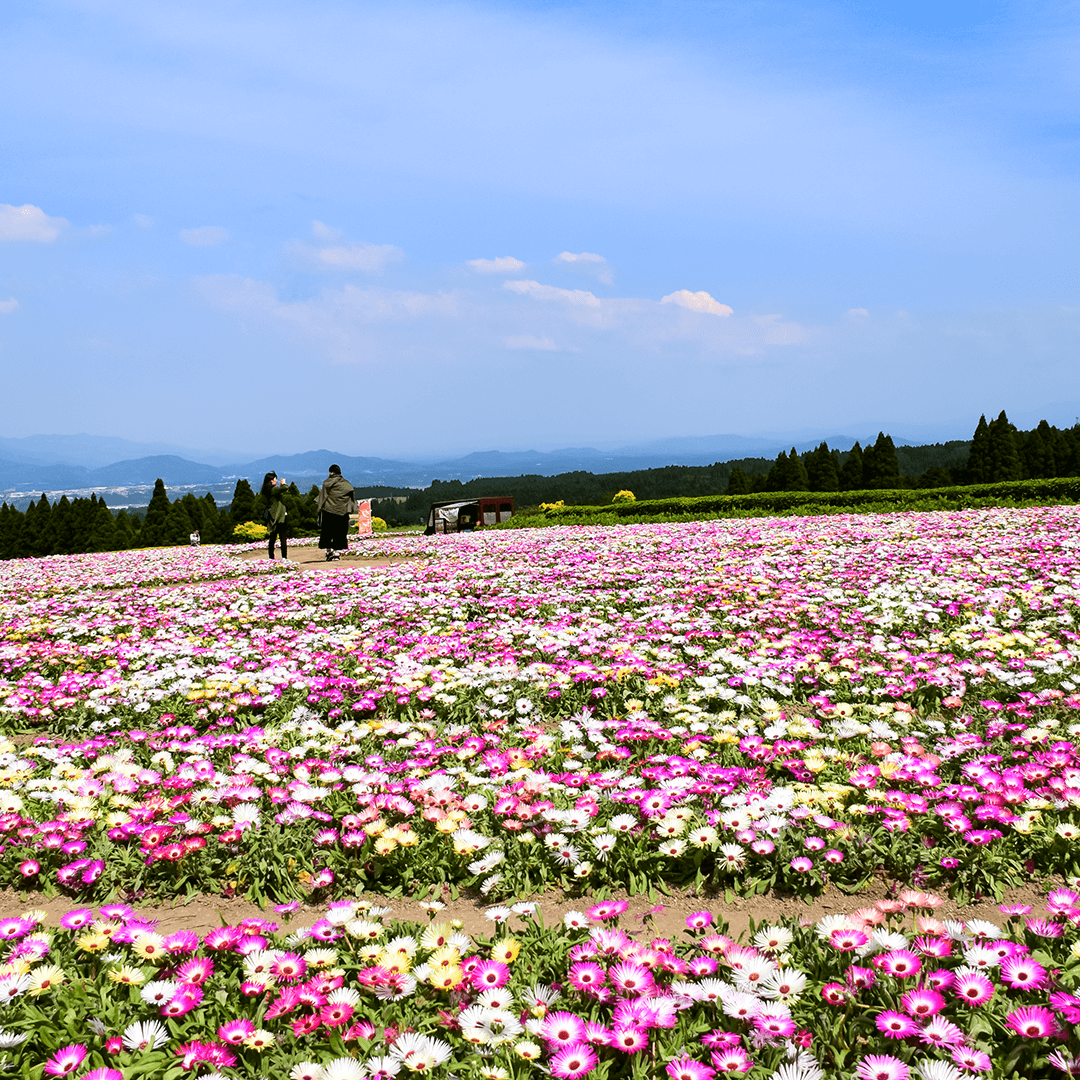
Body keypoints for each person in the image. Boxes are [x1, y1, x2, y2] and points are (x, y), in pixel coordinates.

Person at [317, 464, 355, 561]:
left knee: (327, 532)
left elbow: (322, 497)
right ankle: (337, 553)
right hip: (342, 512)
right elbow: (351, 494)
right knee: (340, 533)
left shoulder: (327, 483)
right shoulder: (346, 484)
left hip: (328, 511)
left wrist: (319, 508)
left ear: (331, 472)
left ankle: (328, 551)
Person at [260, 471, 289, 560]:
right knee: (283, 537)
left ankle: (271, 557)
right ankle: (284, 557)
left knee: (272, 538)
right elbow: (285, 488)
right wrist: (283, 483)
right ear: (271, 481)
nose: (276, 481)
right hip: (279, 516)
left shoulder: (267, 490)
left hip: (272, 516)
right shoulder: (273, 489)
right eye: (275, 479)